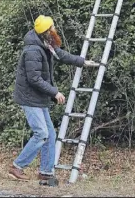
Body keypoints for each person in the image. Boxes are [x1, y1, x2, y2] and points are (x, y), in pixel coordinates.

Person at [9, 15, 96, 185]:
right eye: (53, 27)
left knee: (50, 135)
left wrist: (82, 62)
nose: (55, 29)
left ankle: (45, 173)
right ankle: (17, 167)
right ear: (47, 31)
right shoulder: (33, 50)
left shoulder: (46, 44)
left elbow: (62, 55)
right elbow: (34, 78)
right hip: (29, 98)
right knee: (41, 133)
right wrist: (55, 92)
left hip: (38, 98)